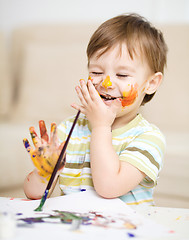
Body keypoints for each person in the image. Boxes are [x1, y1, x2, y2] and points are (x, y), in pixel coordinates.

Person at [23, 13, 168, 206]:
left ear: (151, 83)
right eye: (96, 72)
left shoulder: (149, 138)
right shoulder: (68, 130)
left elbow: (109, 187)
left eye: (122, 74)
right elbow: (34, 195)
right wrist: (45, 171)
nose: (106, 83)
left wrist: (101, 127)